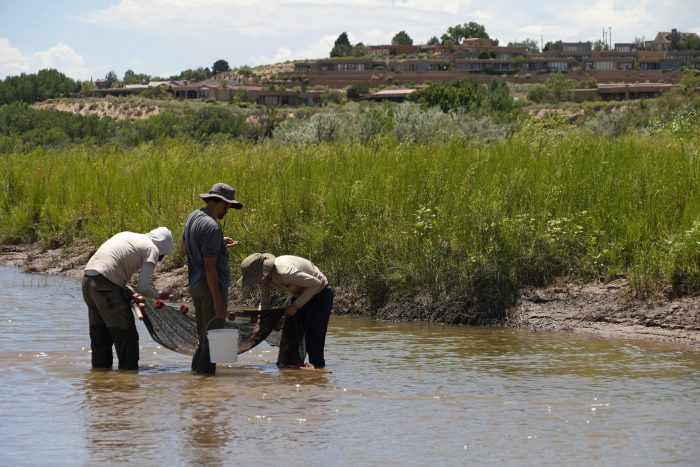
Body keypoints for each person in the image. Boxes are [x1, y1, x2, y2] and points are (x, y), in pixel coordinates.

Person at [82, 227, 174, 370]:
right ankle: (128, 377)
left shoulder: (127, 235)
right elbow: (143, 287)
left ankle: (100, 378)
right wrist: (158, 296)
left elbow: (113, 269)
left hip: (88, 283)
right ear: (162, 247)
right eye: (162, 256)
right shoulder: (152, 249)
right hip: (106, 287)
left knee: (100, 337)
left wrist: (128, 291)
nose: (160, 258)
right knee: (127, 338)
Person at [181, 183, 242, 374]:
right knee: (212, 342)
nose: (228, 210)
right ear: (221, 202)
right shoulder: (212, 226)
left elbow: (184, 250)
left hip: (195, 285)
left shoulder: (193, 216)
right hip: (210, 288)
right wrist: (218, 303)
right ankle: (206, 385)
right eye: (228, 205)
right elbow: (209, 266)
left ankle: (197, 381)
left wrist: (218, 244)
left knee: (203, 339)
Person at [239, 253, 333, 369]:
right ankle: (292, 374)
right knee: (289, 341)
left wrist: (296, 306)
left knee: (314, 342)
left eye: (256, 279)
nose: (256, 282)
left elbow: (316, 284)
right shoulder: (263, 280)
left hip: (320, 294)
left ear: (265, 273)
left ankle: (319, 372)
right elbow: (265, 300)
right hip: (300, 295)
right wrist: (260, 322)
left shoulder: (285, 273)